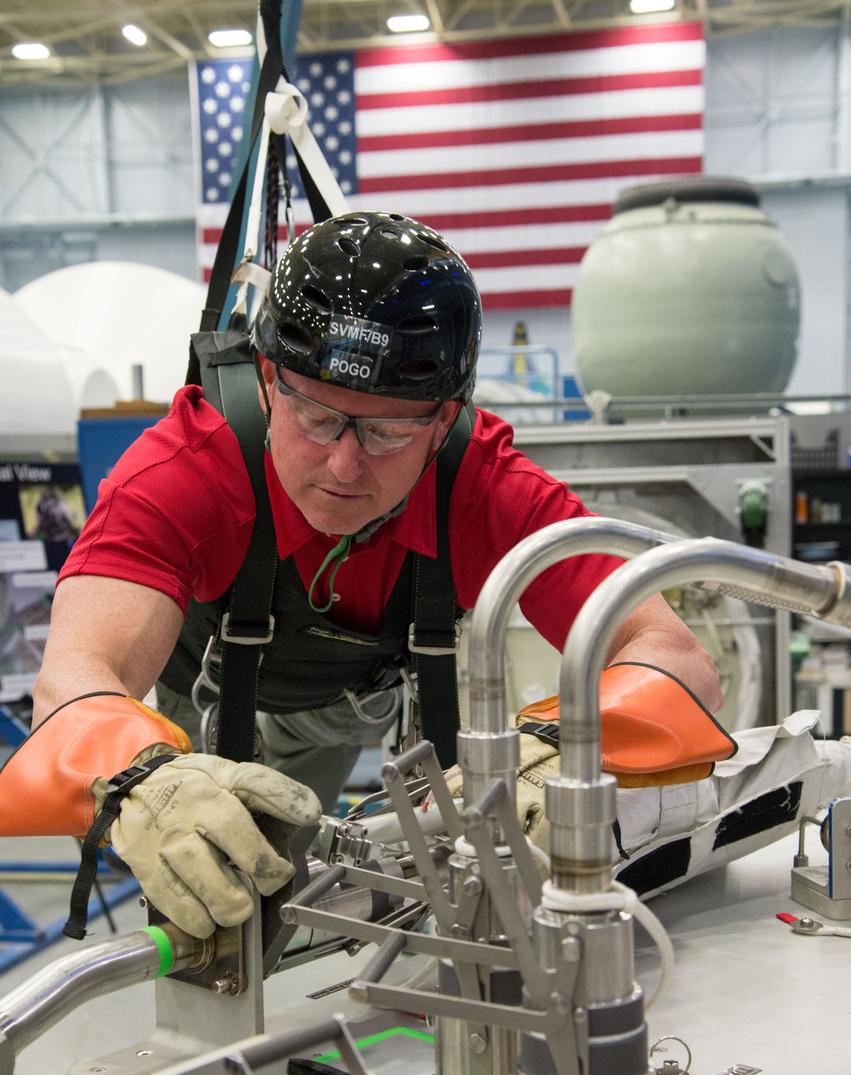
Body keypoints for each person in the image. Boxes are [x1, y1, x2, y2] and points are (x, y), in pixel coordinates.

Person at [0, 212, 722, 941]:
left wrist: (565, 744)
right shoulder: (185, 471)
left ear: (444, 420)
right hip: (204, 709)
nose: (345, 466)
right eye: (317, 417)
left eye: (387, 431)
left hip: (347, 709)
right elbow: (73, 680)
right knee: (208, 901)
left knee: (333, 884)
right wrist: (140, 782)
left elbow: (673, 656)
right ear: (267, 380)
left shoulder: (484, 487)